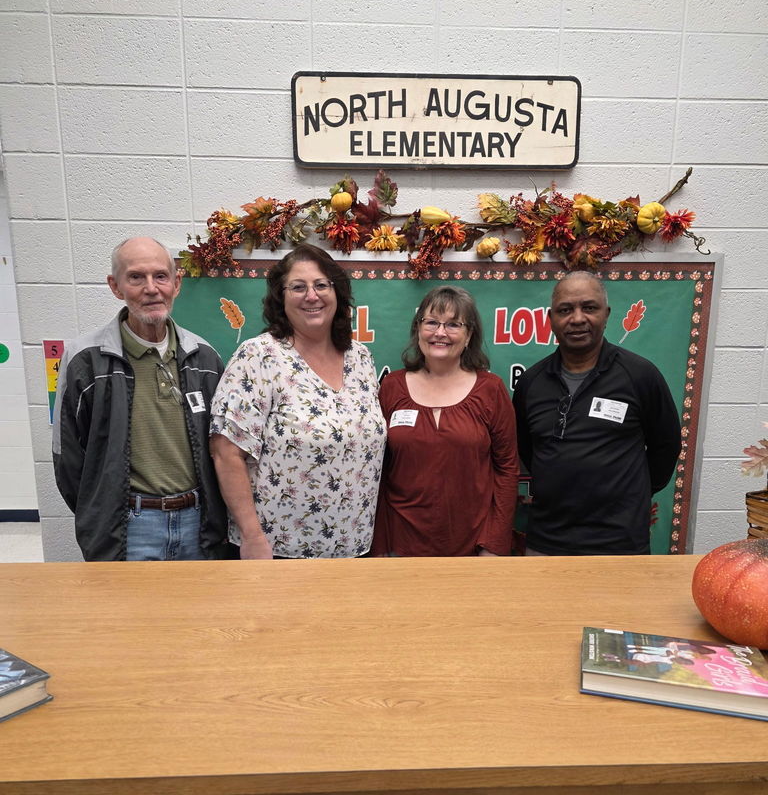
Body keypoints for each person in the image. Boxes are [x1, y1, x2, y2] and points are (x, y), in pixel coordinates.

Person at [52, 237, 228, 561]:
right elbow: (68, 459)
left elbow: (224, 449)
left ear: (176, 284)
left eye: (161, 276)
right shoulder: (85, 361)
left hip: (199, 525)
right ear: (115, 286)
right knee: (129, 612)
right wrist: (101, 512)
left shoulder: (204, 357)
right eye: (136, 277)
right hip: (129, 528)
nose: (151, 288)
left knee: (200, 611)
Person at [210, 244, 386, 559]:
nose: (311, 296)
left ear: (337, 293)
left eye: (321, 285)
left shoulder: (360, 357)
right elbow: (226, 454)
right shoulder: (258, 356)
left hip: (355, 548)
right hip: (277, 550)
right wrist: (251, 536)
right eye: (298, 287)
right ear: (281, 297)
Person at [512, 270, 682, 556]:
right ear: (550, 319)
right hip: (547, 540)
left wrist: (628, 495)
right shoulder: (532, 382)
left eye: (589, 307)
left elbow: (666, 447)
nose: (577, 318)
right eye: (565, 310)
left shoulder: (640, 375)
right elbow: (527, 450)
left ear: (606, 314)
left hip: (619, 542)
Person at [372, 286, 519, 557]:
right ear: (418, 330)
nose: (440, 333)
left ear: (469, 335)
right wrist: (380, 544)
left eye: (453, 324)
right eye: (431, 322)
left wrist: (495, 544)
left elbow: (508, 470)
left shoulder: (491, 389)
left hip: (473, 546)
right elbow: (376, 472)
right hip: (400, 544)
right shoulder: (392, 387)